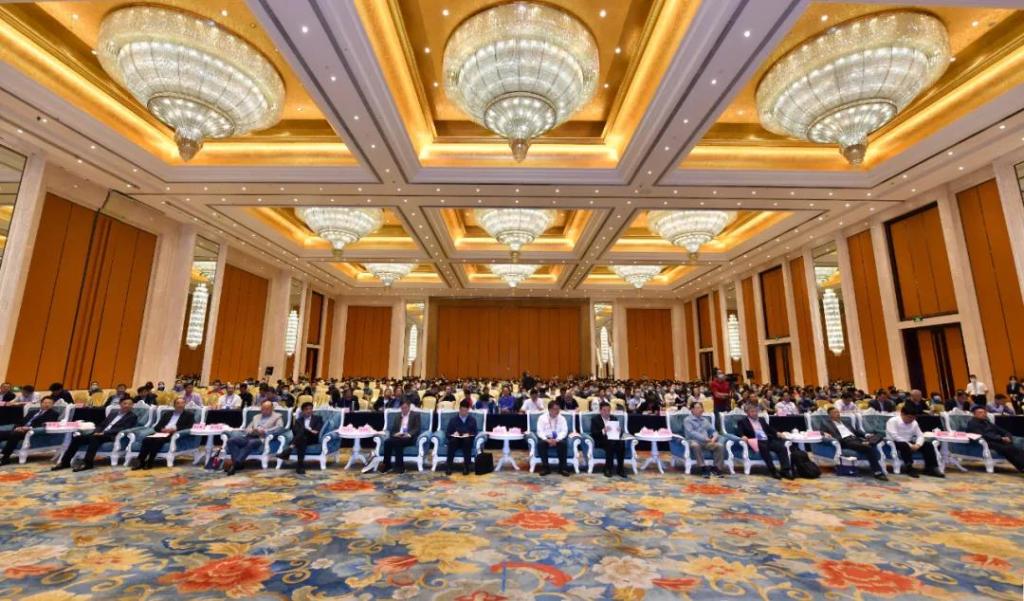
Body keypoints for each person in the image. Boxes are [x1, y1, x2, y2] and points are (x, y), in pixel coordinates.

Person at [53, 397, 138, 472]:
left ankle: (88, 463)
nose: (127, 406)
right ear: (120, 404)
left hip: (112, 436)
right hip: (99, 434)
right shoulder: (113, 414)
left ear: (132, 405)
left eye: (130, 404)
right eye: (125, 403)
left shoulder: (132, 416)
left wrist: (104, 433)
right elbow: (102, 424)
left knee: (94, 439)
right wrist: (97, 431)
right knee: (77, 438)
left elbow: (124, 428)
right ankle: (65, 463)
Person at [818, 407, 887, 480]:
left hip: (856, 439)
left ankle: (869, 442)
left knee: (878, 436)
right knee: (869, 447)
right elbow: (822, 432)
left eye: (838, 412)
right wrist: (826, 434)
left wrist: (866, 435)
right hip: (845, 441)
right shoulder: (826, 423)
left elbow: (856, 431)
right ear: (829, 415)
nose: (837, 414)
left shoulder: (845, 422)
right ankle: (878, 472)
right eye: (835, 412)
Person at [132, 397, 195, 470]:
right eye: (178, 403)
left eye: (182, 403)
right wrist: (162, 429)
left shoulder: (189, 415)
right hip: (162, 432)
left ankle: (150, 461)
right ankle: (141, 462)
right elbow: (157, 427)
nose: (180, 405)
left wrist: (174, 430)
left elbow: (189, 426)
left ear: (184, 405)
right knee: (147, 439)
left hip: (173, 434)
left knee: (158, 441)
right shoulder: (167, 414)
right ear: (174, 405)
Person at [223, 401, 283, 475]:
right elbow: (247, 428)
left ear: (272, 409)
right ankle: (238, 464)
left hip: (260, 438)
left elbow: (279, 428)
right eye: (262, 409)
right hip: (249, 436)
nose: (264, 411)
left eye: (267, 409)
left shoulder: (277, 417)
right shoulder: (256, 417)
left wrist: (265, 431)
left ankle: (235, 464)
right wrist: (252, 431)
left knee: (251, 443)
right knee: (231, 441)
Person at [737, 403, 793, 480]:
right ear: (747, 413)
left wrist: (777, 433)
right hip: (755, 441)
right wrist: (743, 436)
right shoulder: (742, 421)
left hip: (766, 439)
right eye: (752, 411)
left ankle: (785, 471)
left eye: (756, 411)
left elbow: (769, 428)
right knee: (764, 447)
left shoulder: (761, 420)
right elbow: (739, 431)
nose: (755, 413)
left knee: (782, 447)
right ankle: (773, 470)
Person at [885, 406, 943, 478]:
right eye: (909, 417)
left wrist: (918, 445)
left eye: (913, 417)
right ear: (902, 414)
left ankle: (931, 468)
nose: (911, 419)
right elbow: (894, 436)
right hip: (895, 442)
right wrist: (910, 445)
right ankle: (909, 467)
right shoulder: (892, 421)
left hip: (909, 441)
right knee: (904, 445)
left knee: (928, 445)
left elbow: (920, 435)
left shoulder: (914, 422)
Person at [0, 396, 59, 465]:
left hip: (32, 432)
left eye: (49, 403)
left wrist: (28, 428)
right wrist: (18, 427)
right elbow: (21, 421)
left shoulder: (54, 414)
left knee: (15, 434)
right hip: (20, 429)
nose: (47, 404)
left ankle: (5, 458)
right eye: (45, 403)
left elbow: (45, 425)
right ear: (41, 403)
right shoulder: (32, 412)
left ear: (52, 405)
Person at [965, 405, 1024, 473]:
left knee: (1014, 449)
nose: (983, 414)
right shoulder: (972, 423)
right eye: (980, 412)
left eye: (984, 412)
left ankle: (1021, 467)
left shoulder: (986, 422)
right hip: (987, 442)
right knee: (1009, 449)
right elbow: (983, 435)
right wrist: (1001, 438)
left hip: (997, 440)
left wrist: (1008, 436)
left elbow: (1001, 430)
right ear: (974, 414)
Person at [277, 402, 323, 474]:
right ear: (303, 411)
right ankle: (300, 466)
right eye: (306, 409)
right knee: (302, 439)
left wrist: (308, 430)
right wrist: (306, 430)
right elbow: (295, 432)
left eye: (310, 409)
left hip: (312, 438)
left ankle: (289, 449)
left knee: (302, 432)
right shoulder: (299, 420)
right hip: (302, 439)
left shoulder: (318, 418)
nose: (309, 411)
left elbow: (316, 431)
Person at [683, 402, 726, 478]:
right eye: (697, 408)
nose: (700, 410)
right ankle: (703, 467)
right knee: (695, 445)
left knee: (719, 446)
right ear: (692, 410)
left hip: (706, 442)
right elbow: (691, 433)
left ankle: (716, 468)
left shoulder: (705, 420)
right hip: (693, 441)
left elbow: (713, 431)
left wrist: (714, 437)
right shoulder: (687, 420)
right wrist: (705, 439)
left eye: (701, 408)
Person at [380, 398, 422, 474]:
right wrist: (395, 434)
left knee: (396, 442)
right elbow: (393, 429)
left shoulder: (415, 415)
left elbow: (417, 428)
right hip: (398, 437)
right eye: (402, 408)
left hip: (409, 437)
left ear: (409, 407)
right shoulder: (397, 416)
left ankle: (397, 466)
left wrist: (408, 434)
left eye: (405, 408)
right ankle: (389, 465)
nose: (404, 410)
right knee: (387, 442)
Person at [591, 401, 626, 478]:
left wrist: (620, 431)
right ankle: (608, 468)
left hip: (614, 439)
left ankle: (620, 469)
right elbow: (594, 434)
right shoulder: (595, 419)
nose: (607, 412)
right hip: (601, 440)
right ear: (600, 410)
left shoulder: (614, 418)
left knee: (621, 443)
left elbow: (621, 432)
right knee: (611, 443)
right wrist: (603, 430)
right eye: (604, 410)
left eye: (608, 410)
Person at [536, 401, 570, 477]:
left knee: (563, 444)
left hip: (558, 438)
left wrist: (557, 440)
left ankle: (562, 469)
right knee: (540, 444)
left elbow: (564, 431)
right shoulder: (542, 418)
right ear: (549, 409)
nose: (557, 411)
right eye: (555, 409)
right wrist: (546, 439)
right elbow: (540, 431)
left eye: (558, 409)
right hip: (546, 438)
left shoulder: (562, 418)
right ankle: (546, 468)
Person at [444, 400, 477, 476]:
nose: (463, 412)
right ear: (459, 409)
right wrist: (453, 434)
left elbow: (475, 432)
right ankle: (449, 466)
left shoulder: (472, 420)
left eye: (465, 411)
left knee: (467, 441)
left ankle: (466, 467)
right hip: (456, 440)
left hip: (466, 440)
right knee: (452, 441)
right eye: (462, 410)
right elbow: (447, 433)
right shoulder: (453, 420)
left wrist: (468, 434)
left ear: (468, 410)